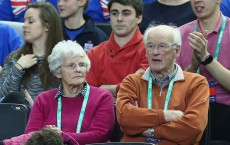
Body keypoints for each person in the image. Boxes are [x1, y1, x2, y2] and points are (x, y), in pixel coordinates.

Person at [116, 24, 209, 144]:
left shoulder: (197, 83)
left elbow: (193, 127)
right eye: (150, 46)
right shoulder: (132, 81)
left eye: (162, 46)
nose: (155, 52)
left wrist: (152, 131)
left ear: (177, 50)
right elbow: (125, 118)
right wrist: (165, 116)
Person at [176, 0, 230, 142]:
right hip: (189, 111)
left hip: (226, 111)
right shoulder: (179, 34)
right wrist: (193, 67)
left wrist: (206, 58)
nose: (197, 1)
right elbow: (173, 90)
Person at [0, 2, 63, 101]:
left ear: (47, 26)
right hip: (19, 115)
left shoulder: (63, 60)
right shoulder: (15, 59)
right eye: (24, 21)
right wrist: (18, 69)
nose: (24, 25)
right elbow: (2, 98)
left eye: (30, 21)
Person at [86, 0, 149, 98]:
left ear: (139, 18)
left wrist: (107, 89)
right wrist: (124, 88)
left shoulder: (150, 50)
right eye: (114, 13)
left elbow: (141, 86)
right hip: (102, 112)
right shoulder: (93, 54)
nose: (119, 19)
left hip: (138, 112)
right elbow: (88, 94)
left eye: (126, 13)